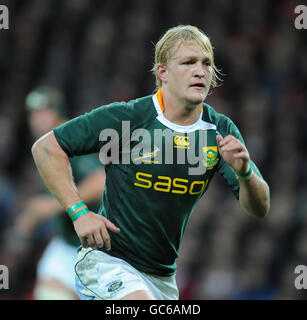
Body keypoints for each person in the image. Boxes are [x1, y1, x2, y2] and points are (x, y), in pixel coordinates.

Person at [31, 25, 270, 300]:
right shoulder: (129, 118)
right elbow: (46, 148)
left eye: (206, 63)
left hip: (162, 277)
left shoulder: (218, 131)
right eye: (188, 62)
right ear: (163, 72)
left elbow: (260, 207)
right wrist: (78, 212)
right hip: (109, 262)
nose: (200, 71)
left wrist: (245, 173)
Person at [15, 85, 106, 299]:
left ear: (58, 111)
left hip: (96, 252)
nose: (37, 118)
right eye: (33, 113)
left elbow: (101, 181)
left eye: (43, 111)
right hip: (68, 244)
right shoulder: (46, 144)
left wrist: (51, 207)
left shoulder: (65, 141)